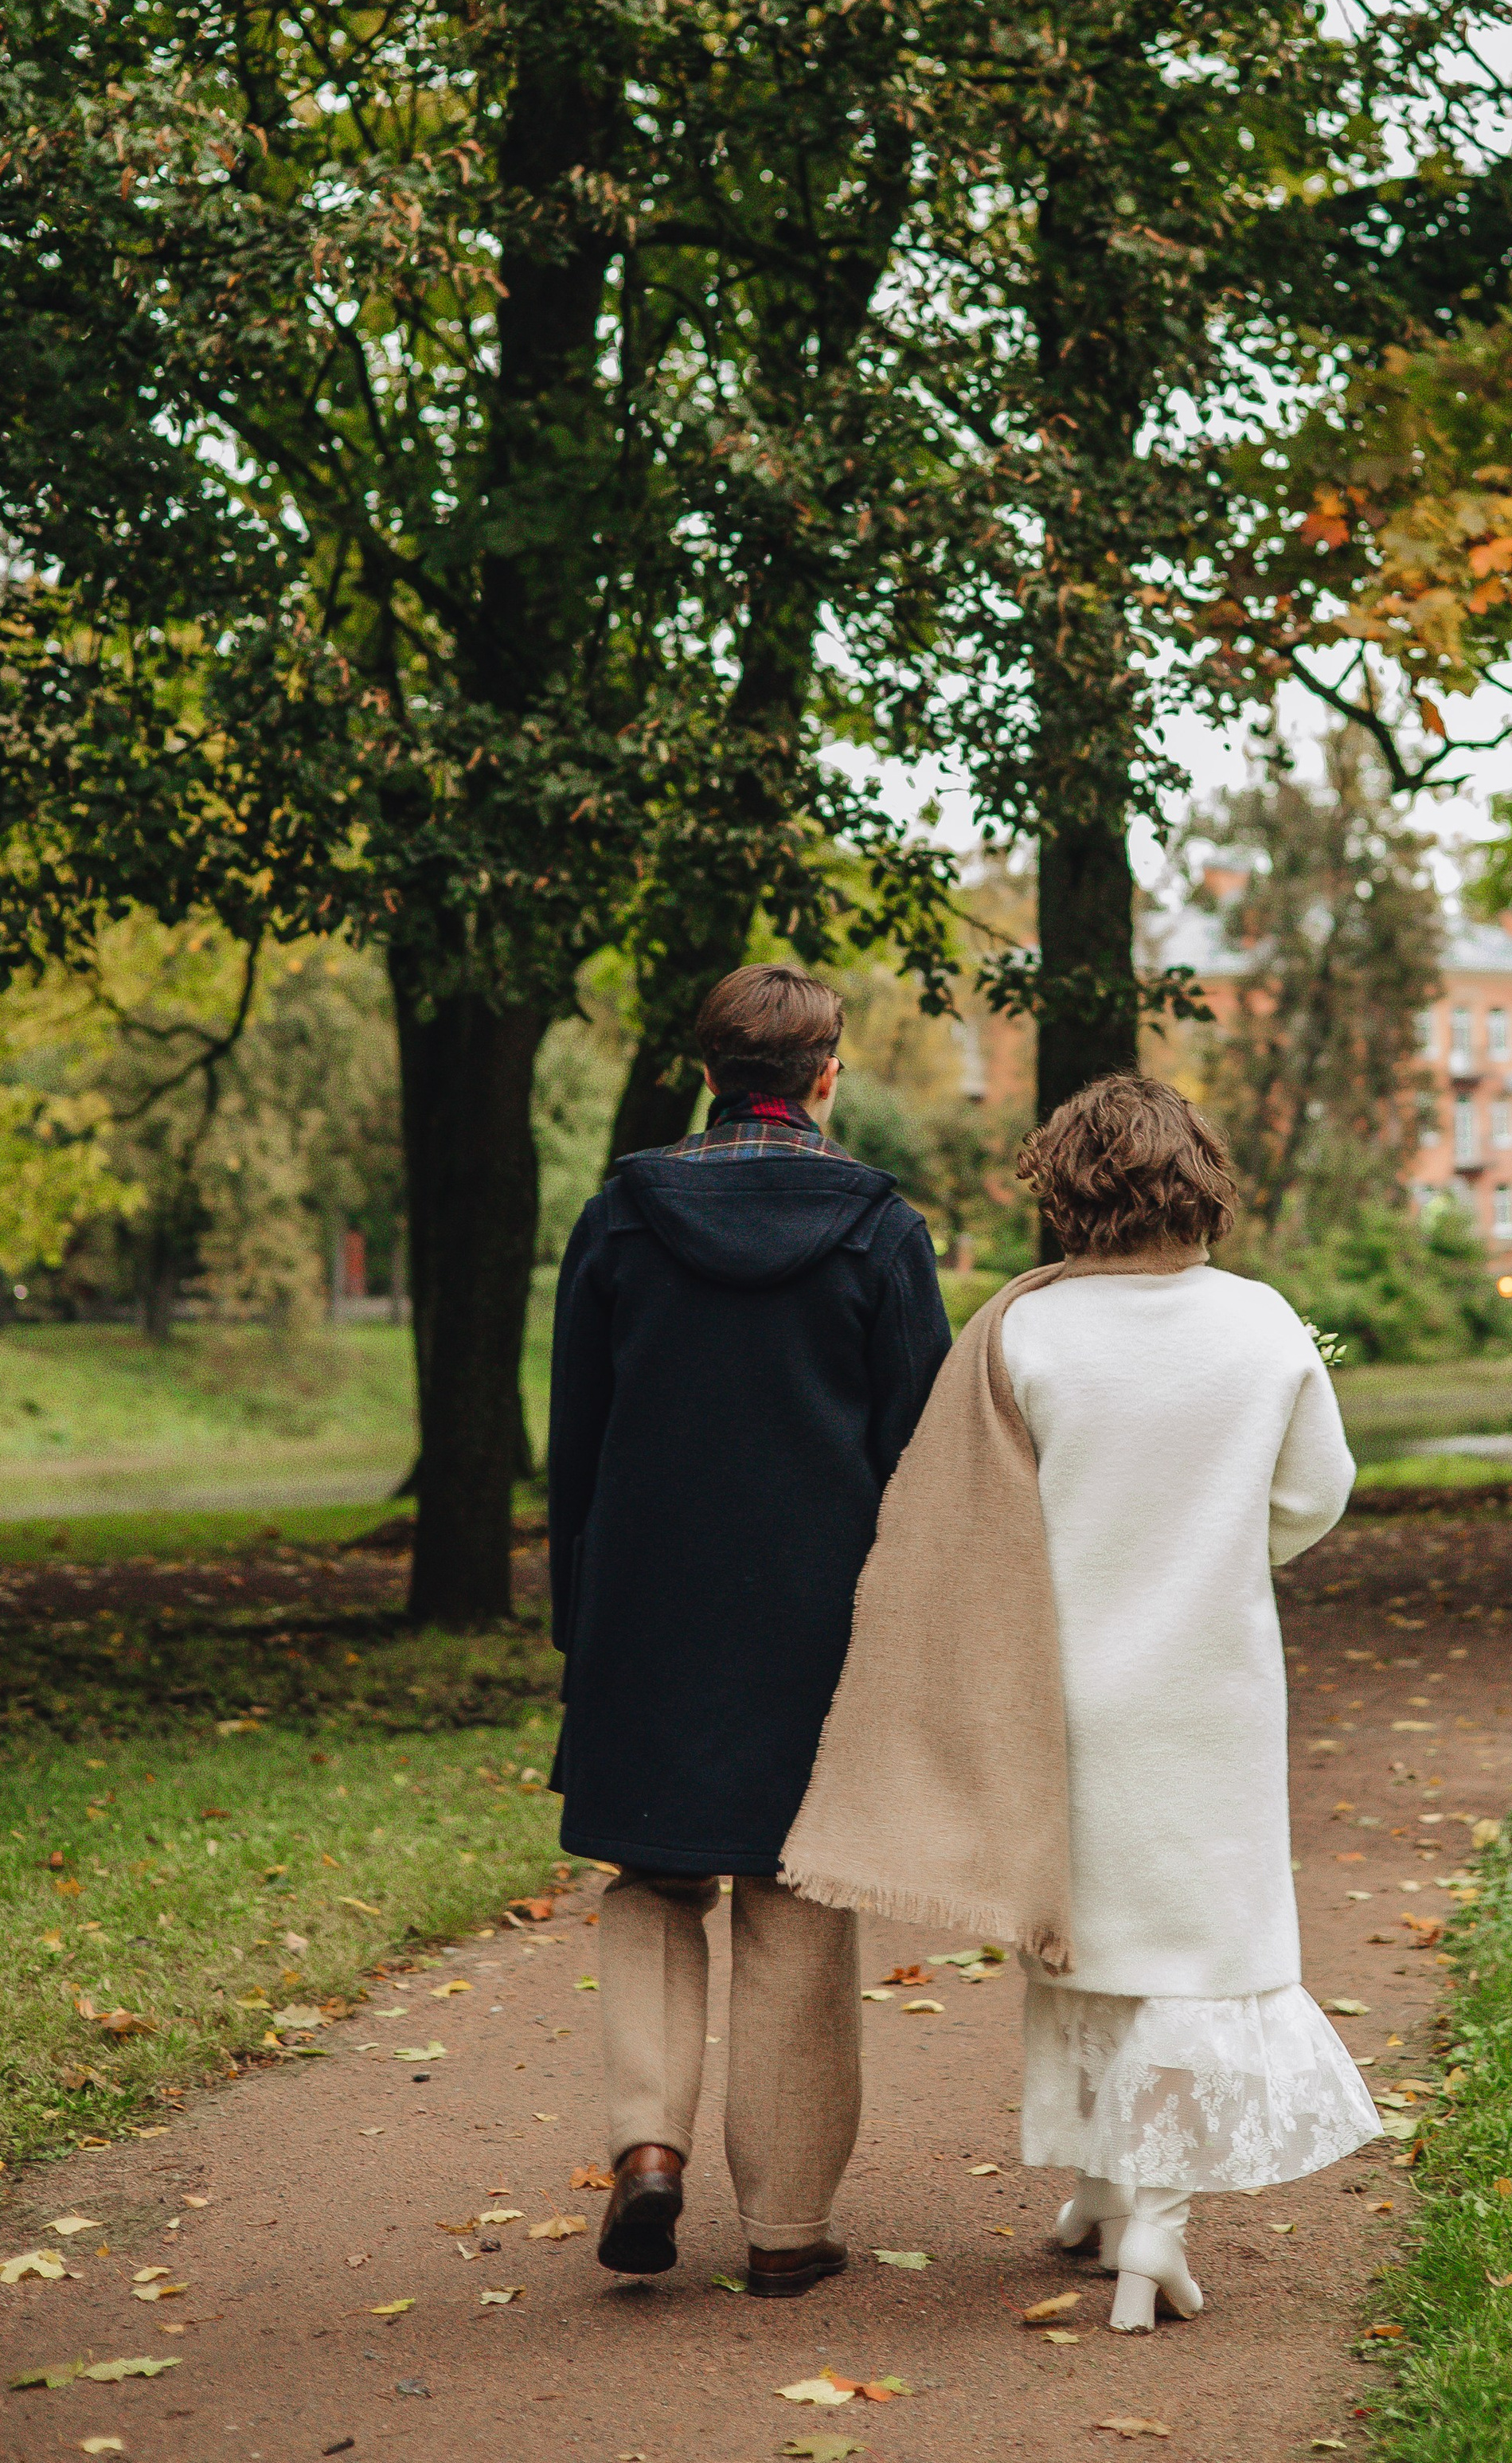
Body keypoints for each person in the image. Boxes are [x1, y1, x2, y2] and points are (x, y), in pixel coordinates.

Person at [782, 1072, 1378, 2333]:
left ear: (1064, 1187)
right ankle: (1141, 2210)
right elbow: (1316, 1491)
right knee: (1191, 1946)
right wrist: (1224, 1548)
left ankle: (1114, 2191)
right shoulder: (1264, 1324)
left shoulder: (1023, 1334)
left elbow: (972, 1513)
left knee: (1084, 1929)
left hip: (1060, 1687)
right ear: (1198, 1176)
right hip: (1211, 1687)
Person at [545, 964, 950, 2295]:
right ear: (826, 1073)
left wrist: (580, 1622)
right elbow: (920, 1451)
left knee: (656, 1882)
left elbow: (580, 1442)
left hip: (647, 1611)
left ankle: (648, 2149)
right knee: (793, 1894)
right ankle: (785, 2229)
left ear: (703, 1071)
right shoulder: (881, 1230)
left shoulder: (619, 1218)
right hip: (817, 1620)